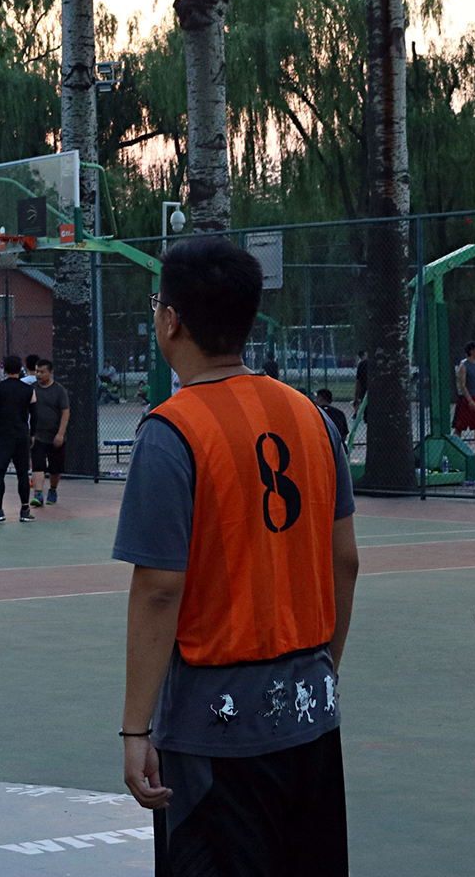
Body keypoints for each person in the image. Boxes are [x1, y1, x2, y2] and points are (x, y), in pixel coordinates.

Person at [115, 237, 359, 876]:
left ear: (171, 320)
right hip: (310, 714)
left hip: (215, 730)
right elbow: (346, 560)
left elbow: (159, 588)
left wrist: (136, 729)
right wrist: (322, 670)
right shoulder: (313, 419)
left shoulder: (171, 432)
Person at [0, 355, 36, 524]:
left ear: (4, 369)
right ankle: (25, 510)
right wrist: (32, 434)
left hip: (4, 435)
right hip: (22, 436)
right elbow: (35, 413)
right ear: (20, 369)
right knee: (23, 473)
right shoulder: (29, 389)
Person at [28, 357, 70, 509]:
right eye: (37, 371)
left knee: (55, 469)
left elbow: (65, 412)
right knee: (38, 466)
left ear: (50, 373)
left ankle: (52, 490)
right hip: (37, 436)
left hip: (54, 436)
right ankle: (38, 494)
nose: (38, 374)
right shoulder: (32, 389)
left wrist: (60, 433)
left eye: (42, 372)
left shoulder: (59, 390)